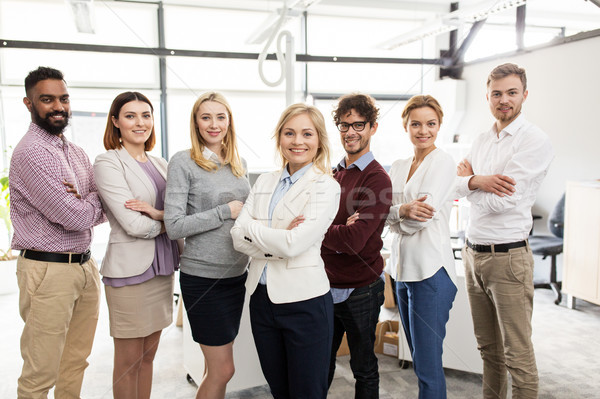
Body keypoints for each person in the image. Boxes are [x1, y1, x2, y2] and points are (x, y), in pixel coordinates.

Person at [456, 63, 554, 399]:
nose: (504, 100)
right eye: (497, 93)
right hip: (473, 255)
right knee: (488, 352)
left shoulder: (534, 140)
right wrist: (478, 181)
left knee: (518, 355)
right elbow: (456, 184)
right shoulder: (482, 139)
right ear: (487, 96)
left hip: (508, 258)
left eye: (512, 93)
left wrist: (470, 183)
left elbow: (504, 204)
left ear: (524, 95)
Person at [231, 103, 340, 399]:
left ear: (319, 140)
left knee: (307, 392)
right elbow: (236, 237)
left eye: (307, 134)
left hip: (304, 303)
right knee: (279, 389)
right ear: (279, 137)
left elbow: (294, 244)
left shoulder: (325, 186)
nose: (297, 141)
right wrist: (279, 235)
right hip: (262, 300)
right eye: (289, 133)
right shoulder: (265, 180)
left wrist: (254, 228)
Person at [9, 66, 106, 399]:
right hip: (47, 271)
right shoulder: (31, 153)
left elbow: (95, 202)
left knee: (75, 362)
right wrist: (89, 202)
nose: (58, 107)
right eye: (47, 100)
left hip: (84, 266)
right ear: (29, 103)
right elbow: (73, 216)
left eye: (63, 98)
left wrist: (87, 202)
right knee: (41, 371)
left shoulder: (75, 152)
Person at [93, 92, 181, 399]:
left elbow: (180, 214)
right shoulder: (108, 162)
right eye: (130, 116)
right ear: (116, 122)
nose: (140, 122)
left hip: (162, 270)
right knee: (129, 362)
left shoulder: (162, 164)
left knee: (148, 358)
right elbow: (131, 223)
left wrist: (159, 215)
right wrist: (169, 223)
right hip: (130, 274)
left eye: (146, 115)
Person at [164, 92, 250, 399]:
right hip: (204, 279)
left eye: (220, 117)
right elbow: (173, 225)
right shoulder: (183, 162)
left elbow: (247, 213)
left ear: (229, 122)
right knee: (224, 369)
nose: (214, 125)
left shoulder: (238, 164)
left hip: (235, 276)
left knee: (213, 368)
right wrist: (224, 211)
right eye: (206, 117)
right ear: (196, 122)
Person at [321, 93, 392, 398]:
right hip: (325, 284)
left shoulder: (377, 179)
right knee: (320, 364)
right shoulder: (332, 174)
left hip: (361, 290)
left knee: (363, 368)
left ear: (373, 127)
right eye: (343, 125)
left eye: (358, 125)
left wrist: (318, 229)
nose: (350, 132)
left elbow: (354, 242)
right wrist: (335, 230)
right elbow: (335, 232)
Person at [386, 95, 457, 399]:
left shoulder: (442, 162)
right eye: (416, 123)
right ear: (406, 126)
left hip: (431, 274)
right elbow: (383, 214)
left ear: (439, 125)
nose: (423, 130)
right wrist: (401, 211)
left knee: (428, 367)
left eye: (430, 123)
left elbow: (422, 218)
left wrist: (395, 215)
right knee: (419, 361)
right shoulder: (400, 166)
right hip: (402, 272)